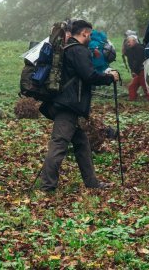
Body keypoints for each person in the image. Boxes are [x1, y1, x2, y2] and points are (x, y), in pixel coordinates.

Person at [40, 19, 120, 192]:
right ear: (84, 33)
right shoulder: (78, 51)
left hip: (69, 105)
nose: (91, 37)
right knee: (59, 145)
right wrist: (109, 77)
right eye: (90, 34)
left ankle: (92, 183)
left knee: (82, 145)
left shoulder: (69, 49)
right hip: (69, 106)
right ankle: (47, 187)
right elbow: (89, 76)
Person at [125, 35, 149, 103]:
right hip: (139, 71)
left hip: (143, 70)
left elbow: (139, 61)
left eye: (129, 42)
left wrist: (134, 71)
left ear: (134, 41)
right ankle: (132, 100)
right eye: (127, 42)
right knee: (132, 87)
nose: (128, 43)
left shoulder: (140, 48)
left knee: (147, 87)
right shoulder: (132, 49)